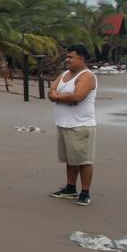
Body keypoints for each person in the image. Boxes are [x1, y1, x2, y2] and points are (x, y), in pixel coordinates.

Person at [48, 44, 97, 206]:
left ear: (81, 58)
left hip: (81, 125)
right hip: (63, 124)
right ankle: (70, 188)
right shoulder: (65, 74)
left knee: (84, 160)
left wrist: (58, 96)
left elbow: (77, 97)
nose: (66, 60)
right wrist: (60, 96)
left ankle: (85, 192)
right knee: (70, 159)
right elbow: (50, 92)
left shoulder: (87, 76)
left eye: (71, 57)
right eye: (67, 56)